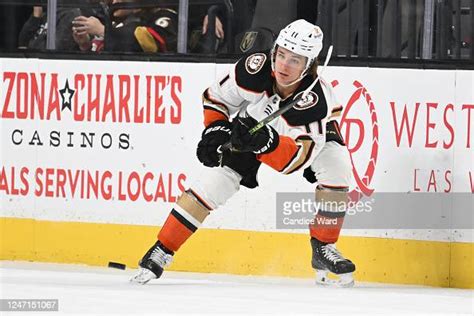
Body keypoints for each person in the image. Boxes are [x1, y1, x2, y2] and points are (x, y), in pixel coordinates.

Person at [130, 19, 356, 287]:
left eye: (295, 60)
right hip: (254, 123)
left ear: (309, 66)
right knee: (216, 181)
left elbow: (296, 160)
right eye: (281, 54)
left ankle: (324, 246)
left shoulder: (316, 102)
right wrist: (215, 130)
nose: (283, 65)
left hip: (303, 138)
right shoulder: (255, 67)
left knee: (337, 166)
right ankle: (162, 248)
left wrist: (269, 144)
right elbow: (217, 98)